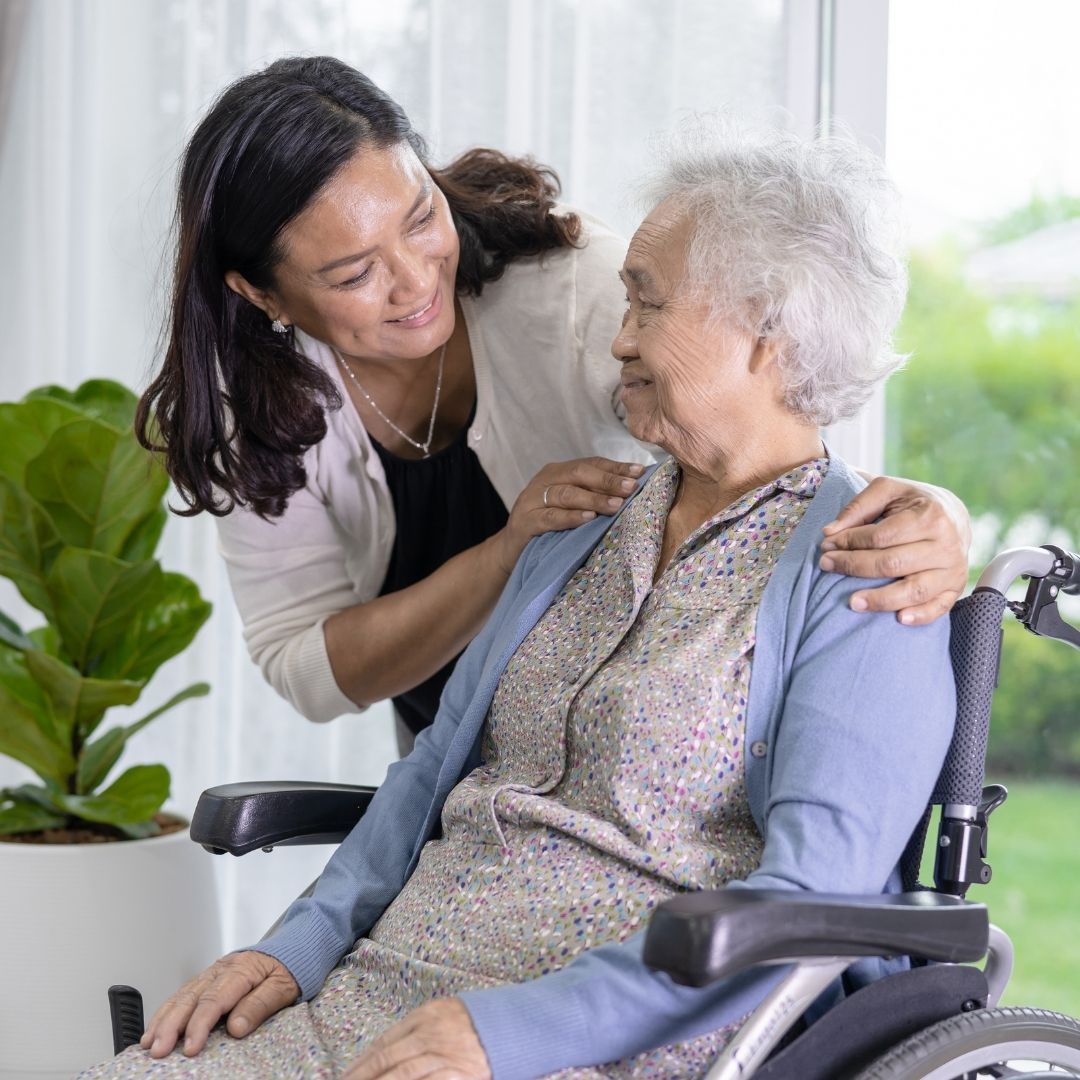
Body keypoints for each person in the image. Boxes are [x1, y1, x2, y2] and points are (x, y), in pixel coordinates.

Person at [88, 119, 957, 1079]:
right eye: (625, 298)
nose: (618, 336)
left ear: (768, 329)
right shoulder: (579, 523)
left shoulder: (865, 577)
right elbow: (426, 779)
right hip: (392, 988)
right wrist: (291, 949)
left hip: (610, 1032)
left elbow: (811, 894)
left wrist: (512, 1034)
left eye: (647, 304)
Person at [138, 56, 969, 753]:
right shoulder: (250, 404)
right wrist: (507, 555)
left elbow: (780, 424)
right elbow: (309, 669)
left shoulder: (576, 291)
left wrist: (936, 517)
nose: (417, 278)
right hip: (466, 774)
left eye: (421, 215)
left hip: (625, 752)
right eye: (355, 274)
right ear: (261, 294)